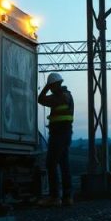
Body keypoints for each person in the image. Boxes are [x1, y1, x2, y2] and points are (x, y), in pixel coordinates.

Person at [38, 72, 74, 206]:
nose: (51, 88)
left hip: (58, 135)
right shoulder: (68, 95)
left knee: (51, 164)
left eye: (52, 86)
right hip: (66, 134)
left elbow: (40, 99)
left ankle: (55, 197)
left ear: (55, 85)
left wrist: (46, 87)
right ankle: (67, 197)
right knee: (64, 165)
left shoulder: (60, 97)